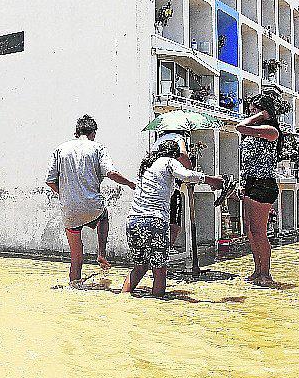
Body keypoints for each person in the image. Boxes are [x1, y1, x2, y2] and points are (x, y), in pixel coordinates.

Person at [120, 141, 224, 297]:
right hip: (154, 221)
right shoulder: (169, 161)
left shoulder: (147, 165)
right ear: (176, 155)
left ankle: (123, 298)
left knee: (140, 266)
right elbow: (187, 175)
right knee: (160, 269)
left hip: (133, 221)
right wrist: (212, 180)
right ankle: (158, 305)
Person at [46, 114, 136, 286]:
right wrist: (130, 183)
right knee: (104, 215)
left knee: (76, 258)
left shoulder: (61, 149)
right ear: (93, 133)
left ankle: (74, 287)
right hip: (93, 207)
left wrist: (64, 194)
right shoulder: (97, 148)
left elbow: (50, 180)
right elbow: (111, 173)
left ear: (76, 132)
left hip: (69, 210)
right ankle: (101, 253)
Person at [235, 94, 282, 287]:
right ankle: (257, 269)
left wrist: (260, 115)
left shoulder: (271, 130)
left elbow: (240, 127)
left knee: (259, 231)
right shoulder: (253, 132)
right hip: (251, 183)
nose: (251, 112)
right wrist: (241, 183)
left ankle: (266, 273)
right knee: (251, 232)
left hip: (264, 184)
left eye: (254, 109)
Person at [151, 130, 193, 248]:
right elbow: (183, 155)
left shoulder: (158, 141)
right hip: (171, 188)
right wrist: (190, 171)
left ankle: (160, 251)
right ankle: (166, 250)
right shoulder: (178, 138)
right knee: (174, 225)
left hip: (155, 190)